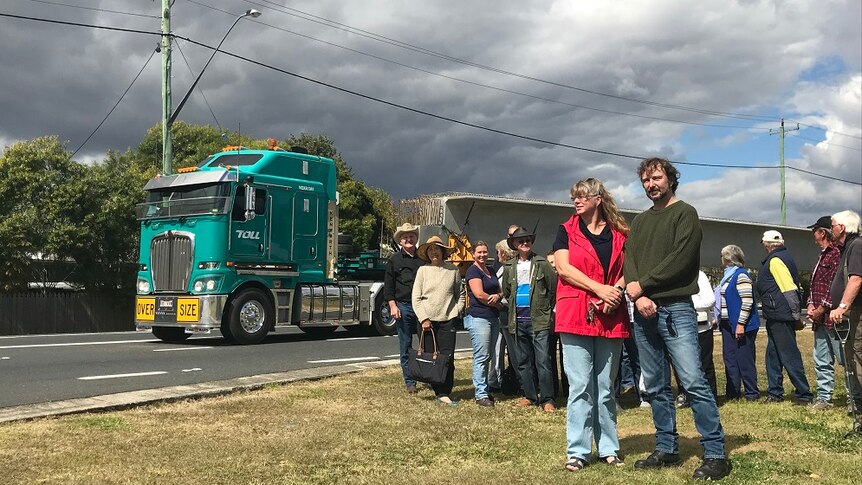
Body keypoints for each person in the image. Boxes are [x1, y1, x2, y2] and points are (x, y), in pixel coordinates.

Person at [622, 157, 729, 481]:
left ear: (670, 179)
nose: (651, 185)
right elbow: (631, 259)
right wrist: (637, 294)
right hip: (643, 312)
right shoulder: (639, 222)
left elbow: (681, 261)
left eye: (656, 178)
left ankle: (716, 454)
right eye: (645, 180)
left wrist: (644, 285)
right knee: (654, 385)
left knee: (693, 381)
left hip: (677, 309)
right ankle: (666, 447)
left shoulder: (685, 214)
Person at [553, 177, 628, 471]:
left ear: (598, 199)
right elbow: (564, 268)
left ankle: (609, 447)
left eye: (582, 196)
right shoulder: (565, 231)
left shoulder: (620, 234)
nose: (577, 201)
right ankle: (578, 450)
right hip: (575, 314)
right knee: (580, 386)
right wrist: (600, 289)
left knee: (606, 387)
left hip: (611, 315)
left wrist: (616, 292)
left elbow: (629, 269)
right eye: (574, 197)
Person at [501, 227, 558, 411]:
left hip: (538, 321)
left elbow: (552, 290)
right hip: (518, 320)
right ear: (515, 245)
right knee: (523, 361)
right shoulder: (509, 266)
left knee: (543, 360)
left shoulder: (541, 263)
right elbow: (507, 292)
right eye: (521, 241)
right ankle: (529, 395)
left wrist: (545, 312)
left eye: (528, 240)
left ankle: (548, 399)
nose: (525, 243)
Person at [755, 230, 813, 405]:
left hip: (780, 315)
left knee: (789, 355)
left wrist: (796, 316)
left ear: (766, 245)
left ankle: (804, 394)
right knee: (773, 356)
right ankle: (775, 392)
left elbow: (789, 290)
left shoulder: (775, 260)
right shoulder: (782, 257)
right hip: (776, 315)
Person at [412, 236, 464, 405]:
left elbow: (460, 294)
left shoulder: (452, 270)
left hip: (447, 319)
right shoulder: (423, 271)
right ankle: (437, 390)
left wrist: (456, 311)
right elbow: (416, 298)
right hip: (427, 321)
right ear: (427, 253)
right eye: (430, 250)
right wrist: (424, 318)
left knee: (447, 357)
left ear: (443, 251)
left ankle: (444, 392)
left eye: (437, 249)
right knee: (430, 357)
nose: (434, 252)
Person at [828, 210, 862, 433]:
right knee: (852, 361)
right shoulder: (847, 248)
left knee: (859, 359)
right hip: (854, 313)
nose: (831, 230)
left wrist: (842, 306)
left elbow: (857, 278)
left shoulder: (857, 245)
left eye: (832, 225)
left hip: (858, 313)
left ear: (842, 227)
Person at [805, 216, 843, 410]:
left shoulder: (836, 253)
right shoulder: (822, 256)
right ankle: (824, 397)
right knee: (822, 359)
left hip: (834, 317)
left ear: (823, 232)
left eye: (815, 231)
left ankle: (855, 398)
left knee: (845, 360)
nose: (813, 234)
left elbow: (835, 287)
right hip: (820, 319)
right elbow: (815, 286)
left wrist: (821, 309)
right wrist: (811, 305)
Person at [715, 245, 760, 401]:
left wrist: (741, 324)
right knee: (730, 358)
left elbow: (747, 301)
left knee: (744, 358)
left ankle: (751, 393)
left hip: (742, 325)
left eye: (722, 257)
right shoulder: (727, 276)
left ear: (728, 259)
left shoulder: (741, 276)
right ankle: (733, 392)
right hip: (727, 324)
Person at [383, 223, 424, 394]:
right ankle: (410, 382)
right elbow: (388, 285)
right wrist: (393, 305)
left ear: (416, 238)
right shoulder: (394, 260)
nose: (409, 239)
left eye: (412, 236)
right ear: (400, 240)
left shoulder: (423, 257)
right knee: (406, 344)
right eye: (405, 237)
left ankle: (427, 376)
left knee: (425, 343)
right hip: (404, 305)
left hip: (422, 306)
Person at [464, 241, 503, 407]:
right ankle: (480, 394)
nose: (482, 255)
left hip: (493, 318)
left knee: (488, 356)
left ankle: (485, 389)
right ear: (473, 254)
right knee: (481, 356)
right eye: (479, 252)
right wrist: (496, 303)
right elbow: (479, 294)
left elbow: (500, 290)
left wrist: (499, 297)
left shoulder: (491, 269)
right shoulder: (472, 271)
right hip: (479, 318)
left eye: (485, 252)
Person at [675, 270, 718, 408]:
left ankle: (711, 397)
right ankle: (687, 396)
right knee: (681, 364)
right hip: (680, 328)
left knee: (705, 363)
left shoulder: (699, 275)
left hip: (702, 328)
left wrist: (685, 304)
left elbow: (710, 300)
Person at [490, 239, 519, 395]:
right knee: (497, 350)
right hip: (500, 315)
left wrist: (499, 300)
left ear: (504, 253)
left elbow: (509, 293)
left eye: (498, 252)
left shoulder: (509, 269)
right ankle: (494, 380)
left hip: (508, 314)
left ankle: (520, 381)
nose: (497, 255)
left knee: (514, 351)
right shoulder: (501, 269)